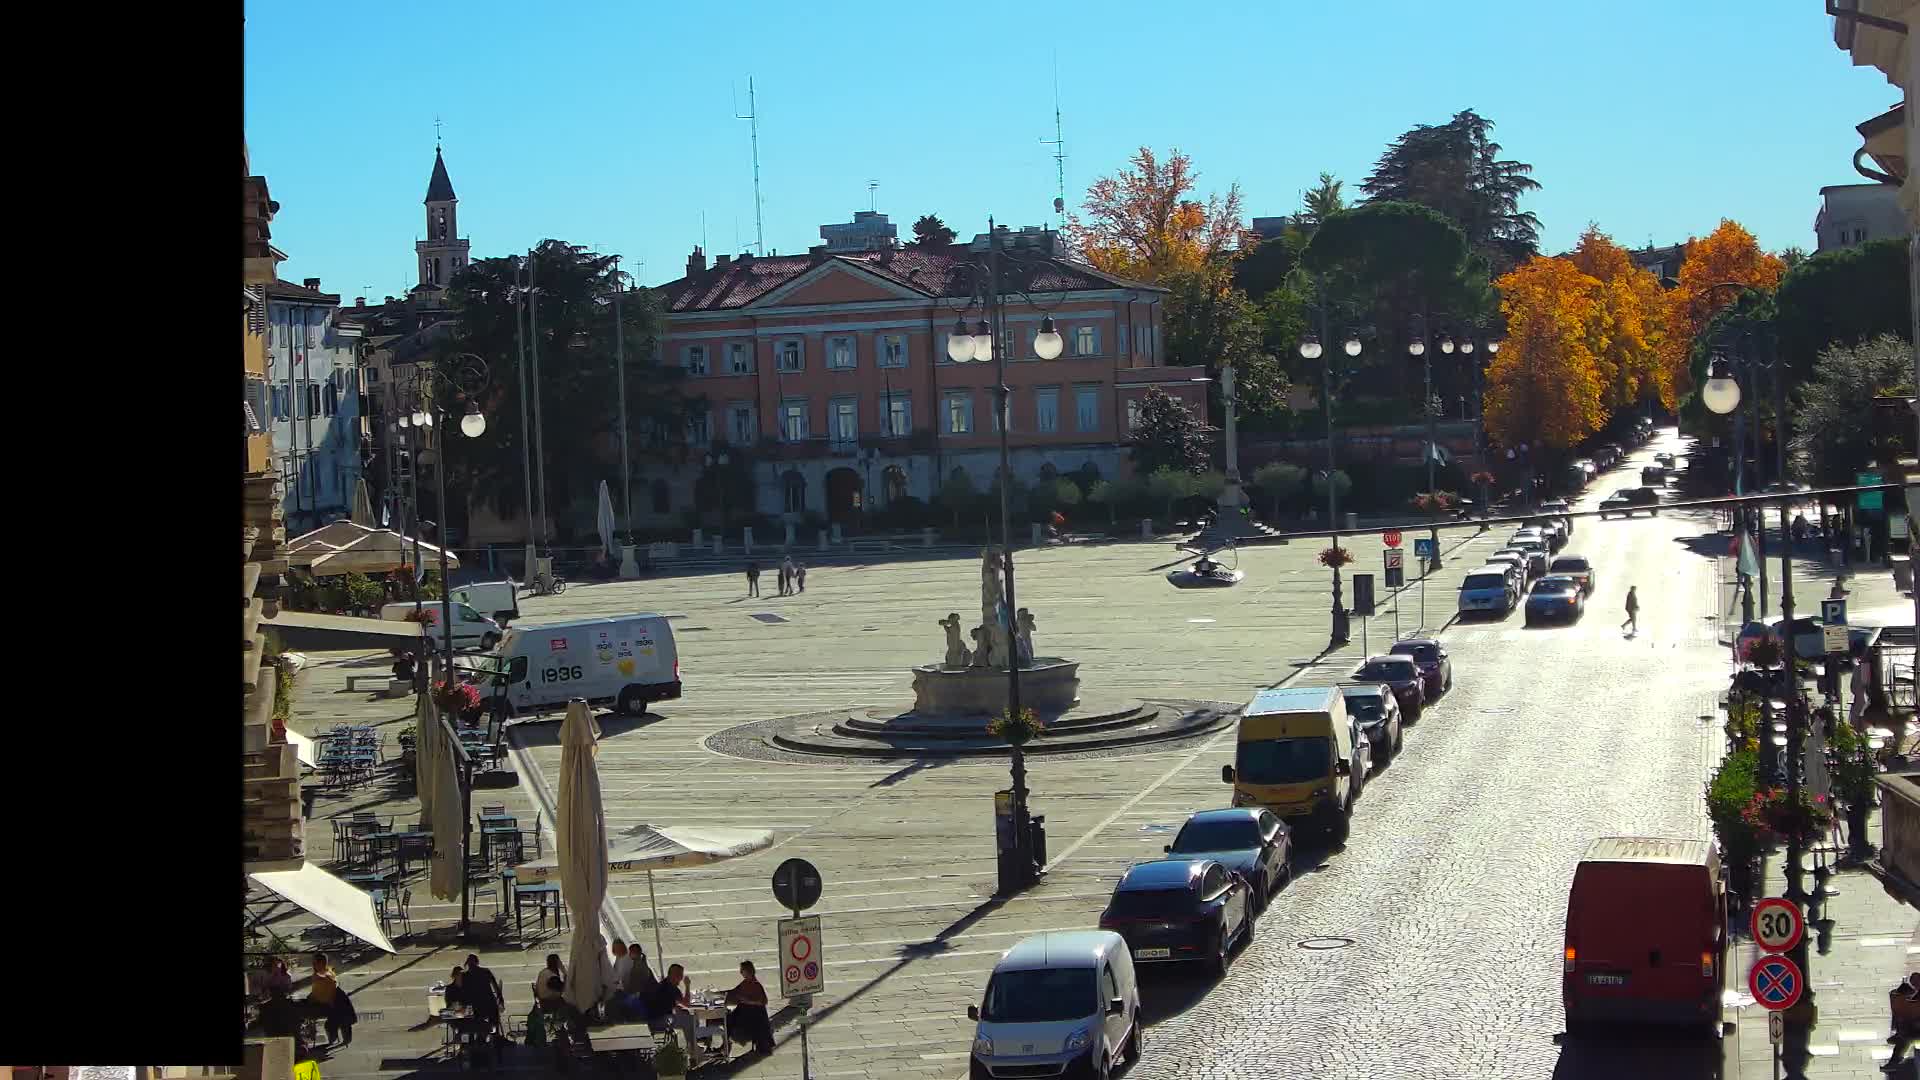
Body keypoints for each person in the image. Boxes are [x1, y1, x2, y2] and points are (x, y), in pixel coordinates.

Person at [644, 962, 699, 1050]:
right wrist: (687, 986)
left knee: (688, 1017)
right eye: (680, 975)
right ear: (673, 975)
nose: (681, 978)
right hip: (659, 1020)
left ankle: (692, 1045)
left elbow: (673, 1005)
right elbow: (686, 1003)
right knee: (690, 1020)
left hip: (654, 1020)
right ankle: (693, 1047)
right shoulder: (671, 987)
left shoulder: (664, 984)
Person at [725, 960, 775, 1055]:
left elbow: (764, 1001)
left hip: (752, 1017)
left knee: (728, 1020)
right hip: (745, 1013)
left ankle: (726, 1047)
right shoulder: (746, 982)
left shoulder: (755, 984)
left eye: (742, 970)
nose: (740, 972)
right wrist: (718, 994)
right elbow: (734, 992)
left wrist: (748, 1001)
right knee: (727, 1018)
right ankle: (725, 1046)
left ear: (748, 971)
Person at [308, 952, 355, 1048]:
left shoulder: (325, 975)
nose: (313, 965)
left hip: (336, 1003)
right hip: (330, 1003)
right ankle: (335, 1037)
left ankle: (337, 1038)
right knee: (331, 1023)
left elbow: (331, 983)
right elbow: (317, 991)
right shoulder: (319, 974)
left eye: (315, 963)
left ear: (321, 963)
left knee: (333, 1023)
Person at [256, 985, 309, 1061]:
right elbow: (301, 1019)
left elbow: (259, 1023)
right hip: (295, 1046)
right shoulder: (292, 1005)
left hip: (276, 1046)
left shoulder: (264, 1008)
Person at [464, 954, 505, 1041]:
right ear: (477, 963)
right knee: (494, 1022)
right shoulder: (486, 971)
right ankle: (495, 1037)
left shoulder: (466, 976)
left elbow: (464, 993)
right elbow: (496, 988)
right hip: (490, 1005)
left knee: (469, 1023)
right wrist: (501, 1000)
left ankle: (471, 1042)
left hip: (477, 1008)